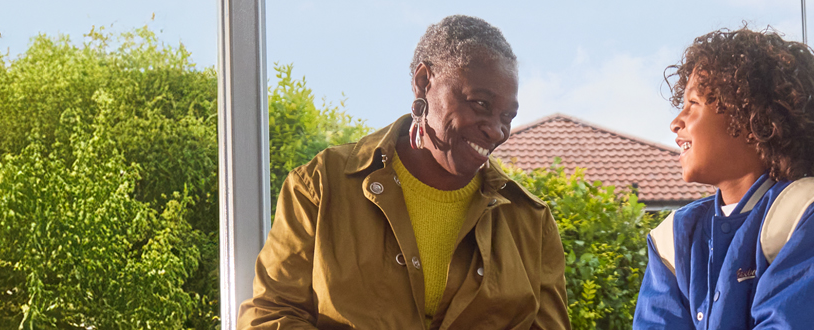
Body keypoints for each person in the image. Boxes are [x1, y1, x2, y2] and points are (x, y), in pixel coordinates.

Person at [239, 15, 570, 330]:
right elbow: (269, 315)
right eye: (480, 104)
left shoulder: (532, 224)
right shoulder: (322, 186)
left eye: (507, 117)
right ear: (423, 81)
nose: (496, 131)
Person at [632, 27, 814, 329]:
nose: (675, 123)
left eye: (693, 104)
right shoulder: (672, 240)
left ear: (751, 119)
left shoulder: (811, 214)